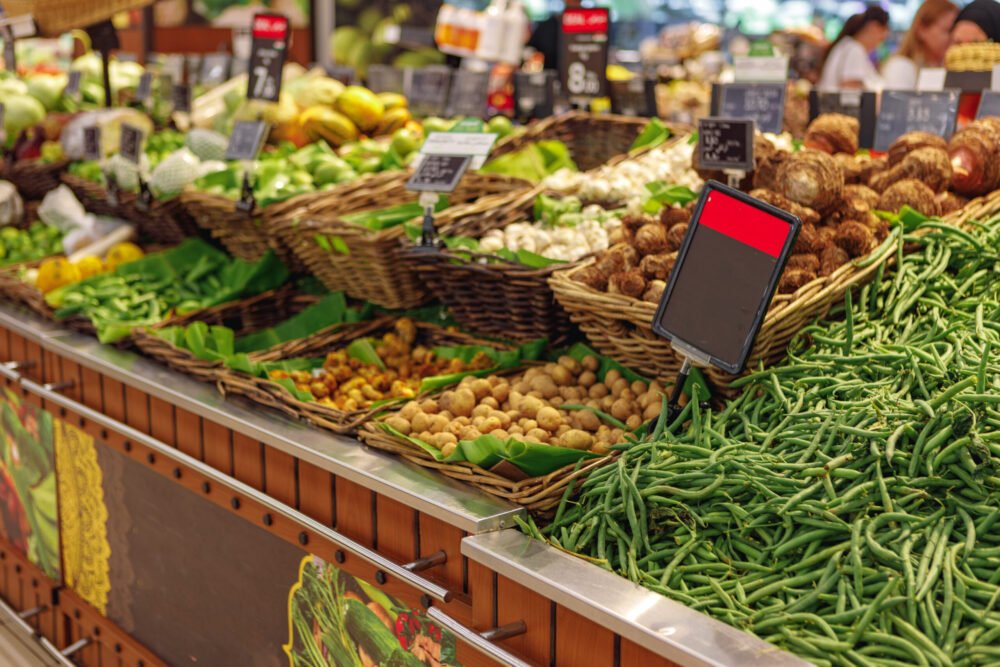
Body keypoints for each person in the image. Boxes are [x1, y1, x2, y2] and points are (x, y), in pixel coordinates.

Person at [882, 0, 959, 89]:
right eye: (948, 30)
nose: (954, 37)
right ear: (922, 30)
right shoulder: (902, 68)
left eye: (957, 31)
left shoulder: (946, 68)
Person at [817, 5, 891, 91]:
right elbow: (850, 92)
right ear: (873, 27)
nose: (879, 43)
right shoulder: (855, 50)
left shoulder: (849, 46)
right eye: (881, 38)